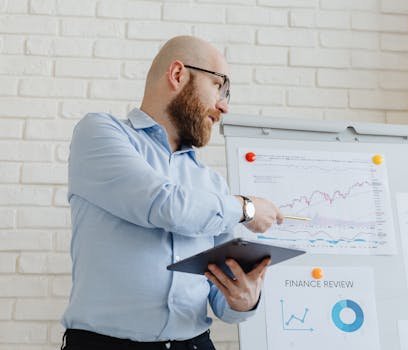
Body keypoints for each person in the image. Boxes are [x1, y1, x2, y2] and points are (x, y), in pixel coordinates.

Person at [60, 35, 284, 350]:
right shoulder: (99, 133)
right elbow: (164, 204)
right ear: (178, 75)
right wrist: (246, 209)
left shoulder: (212, 185)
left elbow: (221, 302)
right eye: (219, 86)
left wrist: (244, 300)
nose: (224, 105)